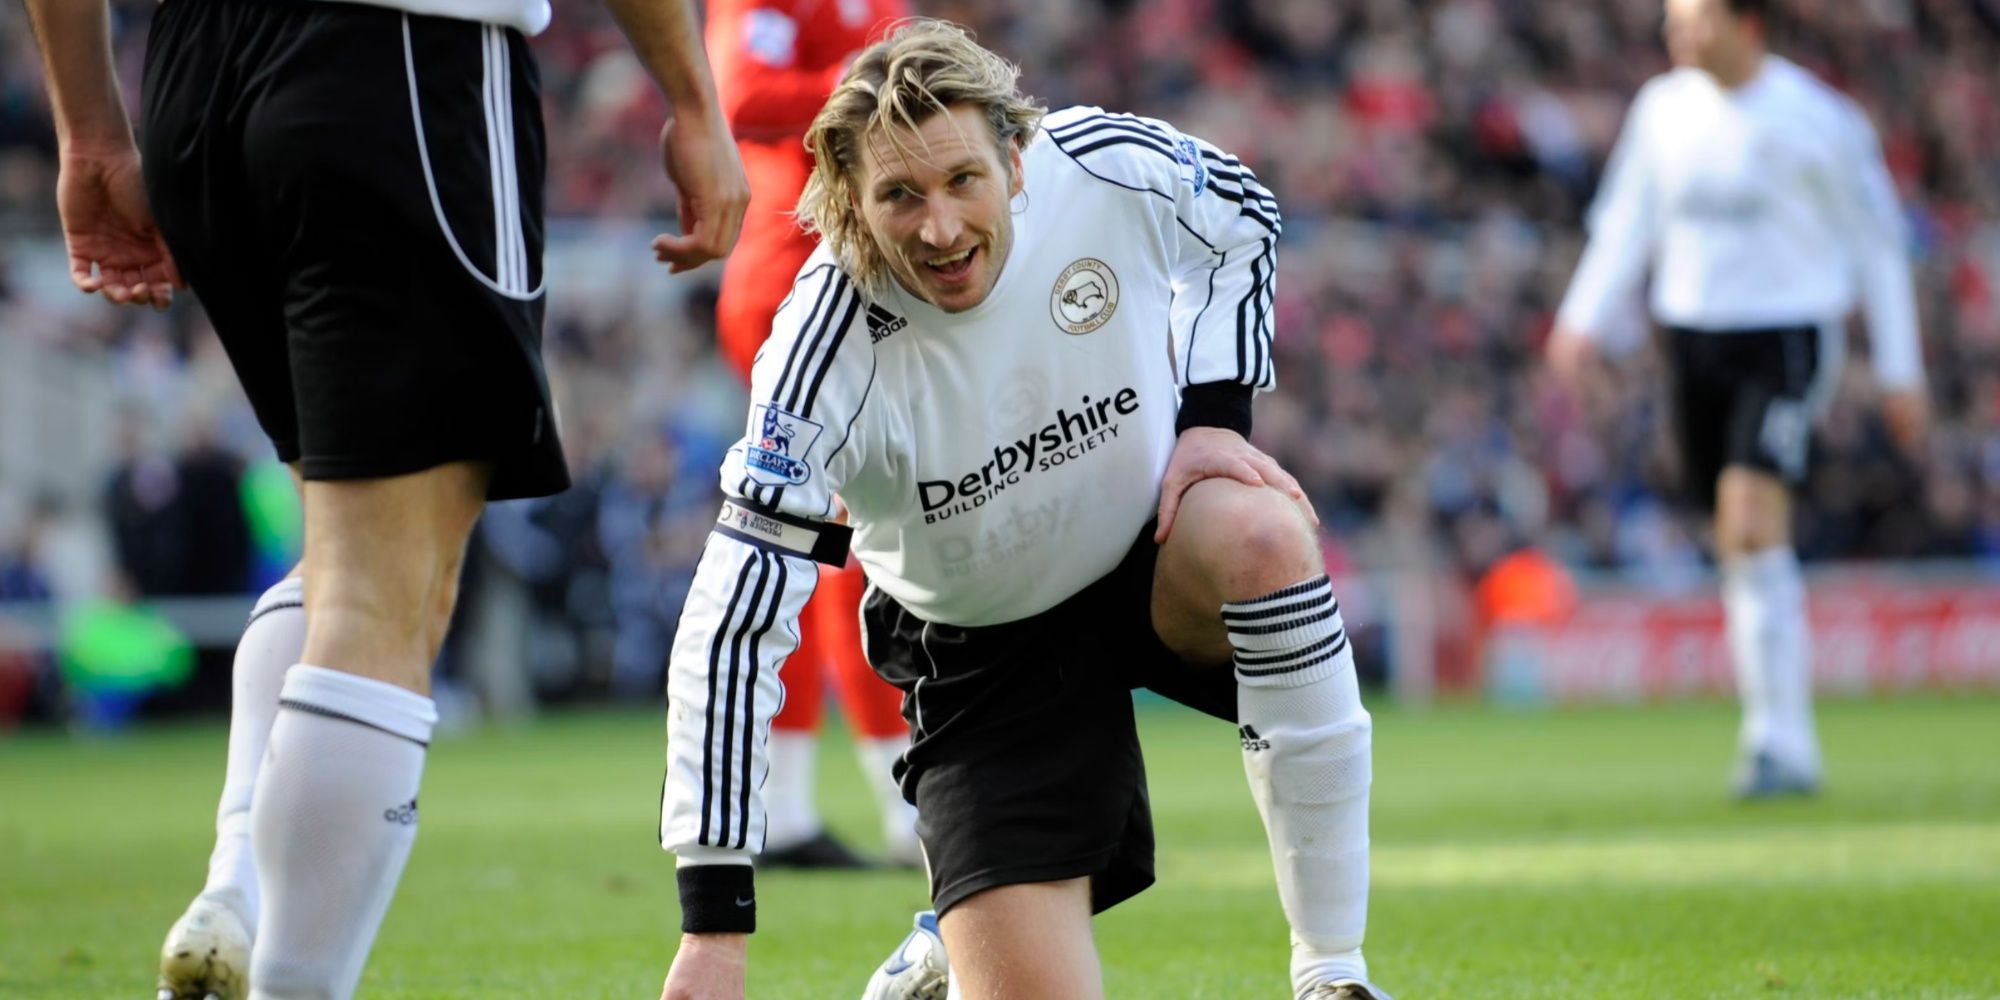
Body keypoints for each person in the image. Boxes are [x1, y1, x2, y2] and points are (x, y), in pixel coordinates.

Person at [22, 0, 748, 995]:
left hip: (193, 77)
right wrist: (692, 100)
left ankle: (240, 883)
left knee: (343, 562)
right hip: (399, 56)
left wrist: (91, 127)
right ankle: (287, 965)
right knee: (383, 592)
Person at [658, 19, 1389, 1000]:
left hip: (1147, 556)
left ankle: (1332, 972)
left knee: (1258, 531)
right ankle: (950, 938)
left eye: (962, 179)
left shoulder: (1094, 162)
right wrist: (713, 927)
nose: (941, 227)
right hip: (982, 654)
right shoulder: (819, 344)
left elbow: (1239, 211)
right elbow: (735, 614)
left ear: (1013, 155)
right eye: (898, 196)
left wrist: (1215, 419)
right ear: (848, 206)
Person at [1547, 0, 1927, 798]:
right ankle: (1771, 728)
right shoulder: (1662, 109)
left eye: (1692, 20)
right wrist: (1581, 320)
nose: (1674, 34)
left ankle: (1782, 744)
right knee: (1731, 534)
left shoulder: (1818, 118)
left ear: (1747, 24)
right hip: (1690, 341)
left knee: (1752, 518)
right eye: (1670, 21)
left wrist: (1901, 368)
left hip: (1786, 335)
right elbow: (1627, 223)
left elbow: (1878, 243)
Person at [705, 0, 918, 869]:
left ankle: (787, 806)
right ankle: (897, 801)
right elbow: (744, 94)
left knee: (834, 541)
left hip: (867, 279)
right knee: (833, 540)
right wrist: (875, 85)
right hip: (794, 283)